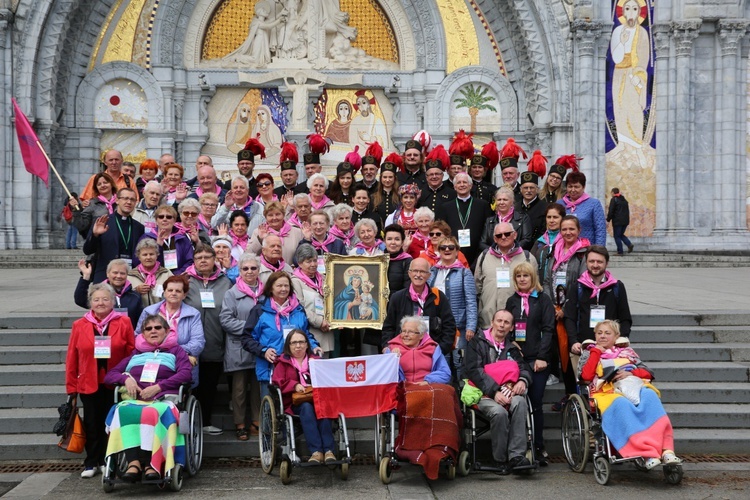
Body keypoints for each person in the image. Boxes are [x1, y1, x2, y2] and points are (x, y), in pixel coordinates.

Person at [580, 319, 681, 469]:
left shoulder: (628, 352)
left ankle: (666, 450)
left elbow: (648, 373)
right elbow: (586, 377)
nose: (603, 336)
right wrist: (596, 352)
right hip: (605, 391)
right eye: (599, 333)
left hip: (632, 385)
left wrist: (630, 373)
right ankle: (646, 452)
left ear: (616, 336)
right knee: (621, 404)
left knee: (650, 396)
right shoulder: (589, 352)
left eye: (608, 333)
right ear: (594, 335)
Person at [103, 314, 193, 482]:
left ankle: (153, 463)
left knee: (151, 413)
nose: (153, 331)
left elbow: (186, 374)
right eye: (148, 329)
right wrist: (126, 379)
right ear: (142, 334)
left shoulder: (176, 351)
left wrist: (158, 387)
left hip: (163, 399)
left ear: (167, 331)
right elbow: (109, 376)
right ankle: (134, 462)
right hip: (135, 399)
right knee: (122, 411)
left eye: (157, 328)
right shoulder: (136, 354)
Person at [65, 282, 135, 478]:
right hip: (88, 381)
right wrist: (72, 387)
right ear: (90, 302)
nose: (101, 303)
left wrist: (129, 377)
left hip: (114, 382)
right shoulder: (79, 325)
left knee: (111, 423)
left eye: (105, 299)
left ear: (113, 301)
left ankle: (108, 459)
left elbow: (131, 352)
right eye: (96, 299)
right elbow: (72, 357)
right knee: (92, 423)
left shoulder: (124, 322)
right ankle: (91, 462)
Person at [384, 317, 460, 480]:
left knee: (446, 393)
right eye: (403, 331)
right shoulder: (391, 349)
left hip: (427, 388)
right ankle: (412, 448)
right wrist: (391, 359)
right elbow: (384, 375)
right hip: (403, 391)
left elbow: (445, 373)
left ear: (421, 335)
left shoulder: (433, 348)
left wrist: (427, 381)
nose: (405, 335)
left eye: (410, 332)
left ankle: (438, 446)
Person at [464, 309, 531, 474]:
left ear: (512, 328)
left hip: (508, 392)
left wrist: (522, 380)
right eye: (499, 320)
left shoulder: (512, 348)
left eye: (506, 322)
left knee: (520, 402)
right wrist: (494, 392)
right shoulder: (476, 343)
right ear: (492, 322)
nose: (502, 325)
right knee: (499, 412)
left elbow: (524, 368)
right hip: (482, 393)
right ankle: (500, 459)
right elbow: (475, 372)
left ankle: (516, 457)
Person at [241, 271, 321, 399]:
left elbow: (305, 333)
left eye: (286, 286)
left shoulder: (298, 309)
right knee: (271, 409)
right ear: (271, 288)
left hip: (297, 369)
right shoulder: (260, 310)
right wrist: (263, 351)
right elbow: (246, 338)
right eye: (279, 286)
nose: (283, 289)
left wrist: (314, 345)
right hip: (270, 368)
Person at [505, 262, 554, 464]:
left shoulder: (543, 300)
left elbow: (549, 329)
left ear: (533, 277)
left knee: (534, 401)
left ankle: (538, 445)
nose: (522, 279)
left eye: (526, 275)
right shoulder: (512, 301)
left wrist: (542, 357)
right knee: (516, 402)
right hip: (517, 358)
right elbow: (506, 326)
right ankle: (516, 446)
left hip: (537, 359)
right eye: (519, 276)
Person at [183, 243, 233, 435]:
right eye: (199, 257)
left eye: (207, 257)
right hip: (190, 342)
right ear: (194, 261)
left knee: (209, 385)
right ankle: (188, 423)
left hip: (215, 340)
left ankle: (205, 421)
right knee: (190, 386)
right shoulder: (186, 280)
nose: (203, 260)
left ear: (214, 260)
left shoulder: (225, 281)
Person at [564, 245, 632, 376]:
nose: (595, 265)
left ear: (607, 263)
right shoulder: (577, 286)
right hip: (584, 347)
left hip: (611, 350)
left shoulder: (617, 287)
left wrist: (620, 341)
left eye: (599, 262)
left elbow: (625, 318)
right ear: (586, 262)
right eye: (591, 261)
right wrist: (574, 341)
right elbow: (569, 317)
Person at [271, 329, 335, 464]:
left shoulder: (316, 361)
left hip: (317, 399)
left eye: (301, 342)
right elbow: (277, 382)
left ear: (307, 344)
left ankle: (329, 451)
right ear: (288, 345)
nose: (298, 346)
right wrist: (294, 385)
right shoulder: (282, 363)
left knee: (323, 407)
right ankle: (316, 451)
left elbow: (328, 379)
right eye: (294, 342)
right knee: (306, 407)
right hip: (295, 403)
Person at [220, 253, 263, 440]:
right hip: (240, 347)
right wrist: (250, 329)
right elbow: (225, 320)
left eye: (253, 268)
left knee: (257, 388)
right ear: (239, 271)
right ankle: (240, 424)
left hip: (260, 347)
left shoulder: (265, 293)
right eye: (245, 268)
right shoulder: (231, 293)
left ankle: (256, 422)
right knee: (238, 390)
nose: (249, 271)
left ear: (259, 270)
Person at [135, 274, 205, 388]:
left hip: (179, 364)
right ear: (164, 292)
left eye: (178, 291)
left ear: (184, 294)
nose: (173, 293)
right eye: (170, 290)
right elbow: (138, 337)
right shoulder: (149, 312)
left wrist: (170, 353)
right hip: (150, 363)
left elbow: (198, 343)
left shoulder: (193, 314)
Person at [381, 258, 456, 356]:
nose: (418, 275)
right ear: (409, 273)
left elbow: (449, 326)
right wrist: (388, 346)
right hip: (402, 353)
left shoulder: (438, 296)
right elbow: (388, 327)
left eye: (422, 272)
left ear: (429, 275)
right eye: (415, 271)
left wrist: (440, 350)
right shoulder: (397, 297)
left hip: (431, 352)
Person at [428, 235, 477, 380]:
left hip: (458, 327)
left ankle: (462, 398)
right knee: (441, 361)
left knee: (459, 362)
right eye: (443, 247)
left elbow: (471, 301)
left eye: (451, 247)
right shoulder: (432, 271)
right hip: (438, 327)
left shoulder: (464, 272)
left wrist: (471, 326)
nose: (447, 250)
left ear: (457, 251)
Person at [474, 222, 537, 330]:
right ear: (494, 238)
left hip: (518, 322)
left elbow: (535, 288)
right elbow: (477, 286)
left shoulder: (527, 257)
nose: (503, 237)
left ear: (515, 235)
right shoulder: (484, 256)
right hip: (489, 321)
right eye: (499, 235)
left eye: (507, 234)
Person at [82, 188, 145, 283]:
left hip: (130, 277)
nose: (129, 202)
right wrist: (95, 235)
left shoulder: (139, 227)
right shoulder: (103, 222)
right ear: (117, 200)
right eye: (125, 198)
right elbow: (87, 250)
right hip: (105, 276)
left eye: (132, 199)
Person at [436, 172, 493, 266]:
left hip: (477, 251)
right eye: (459, 183)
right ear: (454, 187)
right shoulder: (445, 207)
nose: (462, 185)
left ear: (470, 186)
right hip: (453, 251)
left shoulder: (482, 205)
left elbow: (488, 229)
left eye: (465, 182)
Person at [75, 258, 143, 328]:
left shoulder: (135, 296)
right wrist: (86, 277)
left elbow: (140, 321)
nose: (118, 276)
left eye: (122, 273)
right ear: (107, 274)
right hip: (104, 336)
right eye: (115, 273)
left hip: (128, 336)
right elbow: (80, 300)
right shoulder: (98, 293)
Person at [292, 244, 334, 356]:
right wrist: (320, 322)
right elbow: (299, 307)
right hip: (310, 333)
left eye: (315, 260)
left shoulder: (324, 278)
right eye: (308, 261)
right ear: (300, 263)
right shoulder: (295, 281)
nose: (313, 264)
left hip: (327, 332)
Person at [139, 205, 194, 275]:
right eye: (161, 217)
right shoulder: (146, 238)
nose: (164, 219)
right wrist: (158, 246)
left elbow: (190, 261)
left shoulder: (182, 238)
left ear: (174, 221)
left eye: (169, 217)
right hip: (153, 278)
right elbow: (139, 260)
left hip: (178, 279)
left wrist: (175, 275)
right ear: (156, 220)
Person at [558, 171, 607, 246]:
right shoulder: (559, 204)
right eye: (570, 186)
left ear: (583, 187)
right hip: (563, 249)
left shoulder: (594, 204)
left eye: (576, 187)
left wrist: (598, 251)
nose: (573, 190)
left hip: (586, 249)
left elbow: (600, 230)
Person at [481, 186, 532, 252]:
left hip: (516, 256)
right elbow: (482, 243)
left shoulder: (523, 218)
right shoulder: (490, 221)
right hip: (494, 256)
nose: (501, 202)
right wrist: (496, 251)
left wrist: (510, 250)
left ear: (511, 202)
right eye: (499, 200)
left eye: (505, 200)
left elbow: (527, 240)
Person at [128, 238, 173, 306]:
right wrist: (136, 291)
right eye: (145, 255)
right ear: (139, 257)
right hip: (139, 315)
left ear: (157, 255)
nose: (148, 257)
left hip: (162, 314)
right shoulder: (130, 276)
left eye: (151, 254)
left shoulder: (166, 273)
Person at [70, 172, 117, 238]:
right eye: (99, 184)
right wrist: (76, 209)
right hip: (98, 243)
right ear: (96, 188)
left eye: (105, 182)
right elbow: (81, 226)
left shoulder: (120, 202)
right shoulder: (91, 204)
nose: (103, 185)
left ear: (111, 184)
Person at [516, 171, 549, 245]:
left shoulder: (545, 207)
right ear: (521, 190)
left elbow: (545, 231)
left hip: (537, 246)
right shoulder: (515, 207)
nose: (528, 191)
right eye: (525, 188)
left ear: (537, 190)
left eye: (532, 188)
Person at [383, 224, 412, 298]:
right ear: (384, 241)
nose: (393, 242)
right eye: (389, 239)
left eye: (397, 239)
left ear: (402, 242)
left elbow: (407, 287)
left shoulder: (407, 260)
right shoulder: (378, 259)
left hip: (399, 303)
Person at [607, 187, 634, 255]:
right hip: (625, 221)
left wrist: (608, 219)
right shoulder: (624, 200)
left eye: (611, 193)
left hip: (617, 221)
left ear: (613, 192)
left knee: (617, 236)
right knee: (621, 234)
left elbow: (611, 210)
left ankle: (620, 252)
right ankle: (629, 244)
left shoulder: (614, 199)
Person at [372, 157, 400, 223]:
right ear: (381, 178)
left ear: (394, 179)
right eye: (385, 177)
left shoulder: (399, 197)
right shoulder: (373, 197)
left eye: (390, 177)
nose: (387, 180)